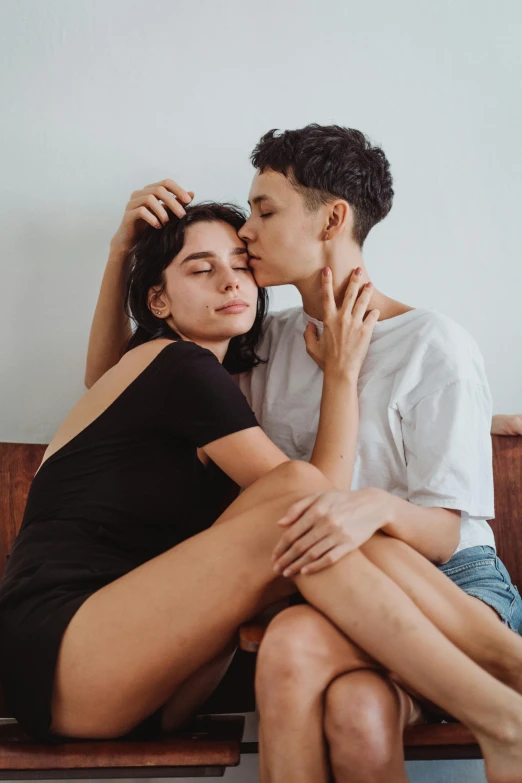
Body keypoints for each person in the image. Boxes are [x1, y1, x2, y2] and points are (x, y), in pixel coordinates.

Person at [6, 201, 520, 781]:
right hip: (66, 655)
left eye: (240, 265)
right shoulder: (180, 366)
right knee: (300, 492)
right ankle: (503, 702)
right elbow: (322, 489)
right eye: (202, 269)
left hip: (150, 674)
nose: (230, 280)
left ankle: (508, 693)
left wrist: (469, 416)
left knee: (301, 523)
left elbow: (102, 377)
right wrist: (341, 375)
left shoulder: (208, 377)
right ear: (157, 300)